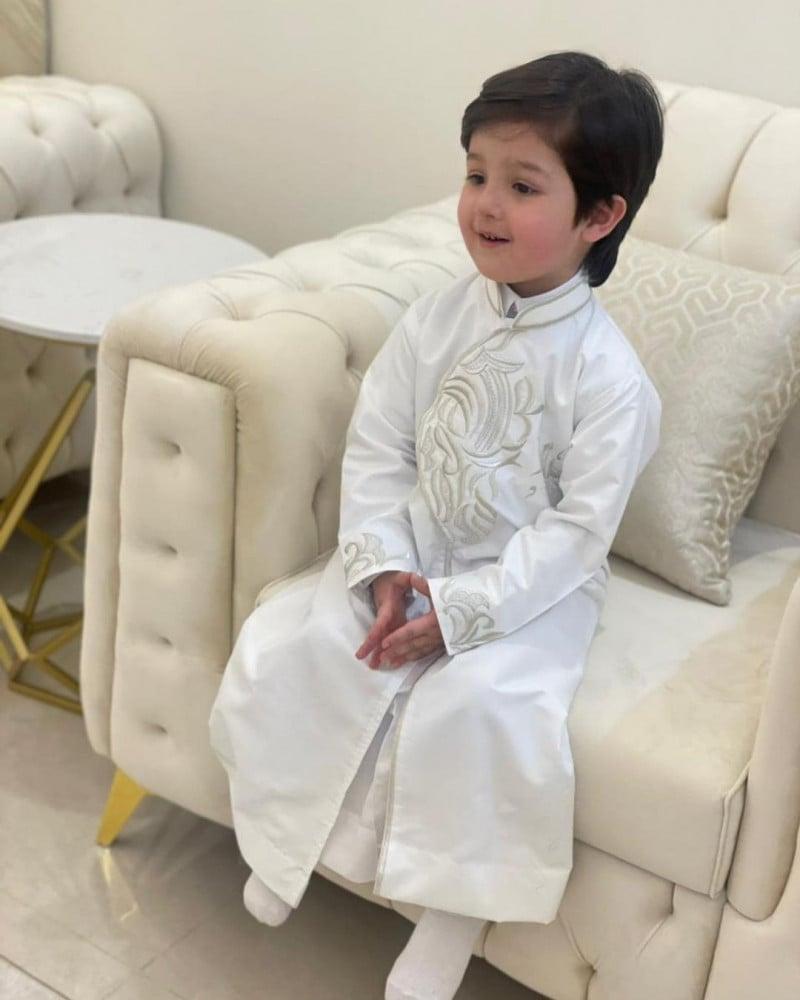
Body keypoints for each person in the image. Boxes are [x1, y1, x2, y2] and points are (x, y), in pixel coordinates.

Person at [208, 49, 665, 1000]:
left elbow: (576, 536)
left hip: (530, 587)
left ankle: (450, 925)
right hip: (416, 545)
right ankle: (285, 848)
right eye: (475, 175)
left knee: (484, 708)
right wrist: (384, 568)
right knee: (309, 642)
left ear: (599, 216)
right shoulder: (436, 317)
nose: (485, 205)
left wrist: (460, 612)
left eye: (522, 186)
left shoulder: (610, 379)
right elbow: (380, 443)